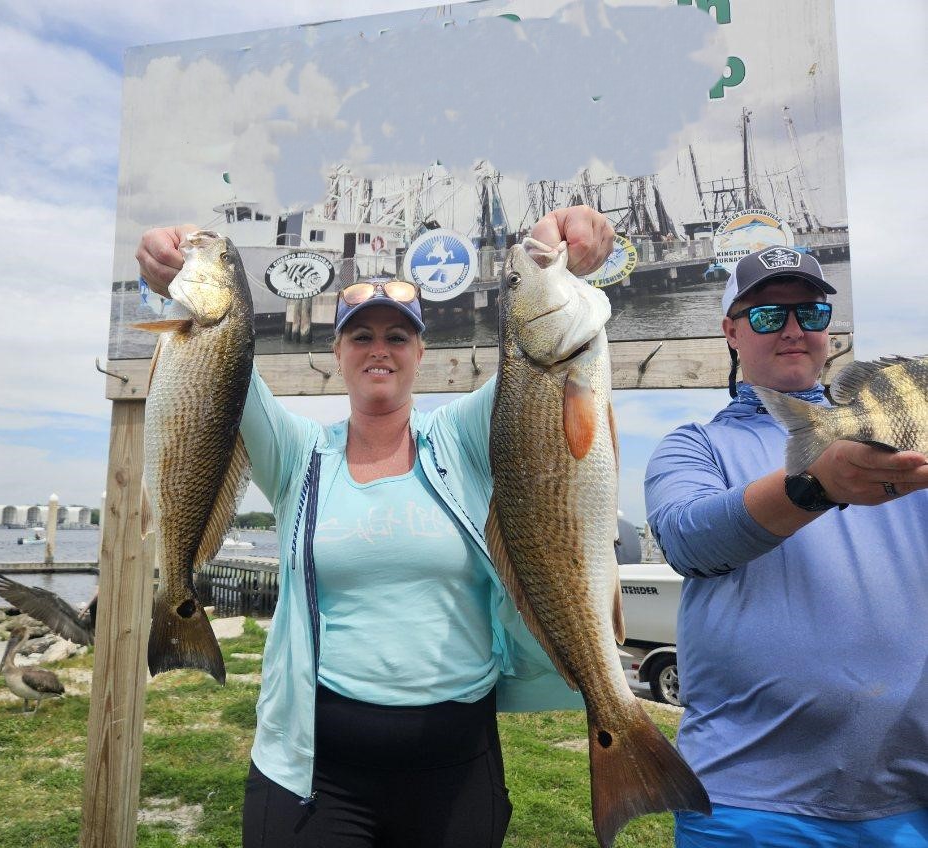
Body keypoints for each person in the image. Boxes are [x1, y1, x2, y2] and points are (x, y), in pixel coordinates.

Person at [137, 207, 614, 847]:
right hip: (317, 774)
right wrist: (168, 273)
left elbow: (542, 364)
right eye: (361, 337)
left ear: (421, 352)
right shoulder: (299, 452)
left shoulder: (464, 436)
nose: (379, 350)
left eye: (397, 337)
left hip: (457, 767)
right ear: (336, 352)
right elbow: (218, 368)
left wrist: (565, 254)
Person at [644, 246, 928, 847]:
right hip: (746, 800)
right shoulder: (694, 446)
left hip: (907, 799)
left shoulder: (902, 440)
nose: (794, 330)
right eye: (769, 315)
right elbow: (687, 538)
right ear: (731, 332)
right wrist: (814, 484)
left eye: (811, 314)